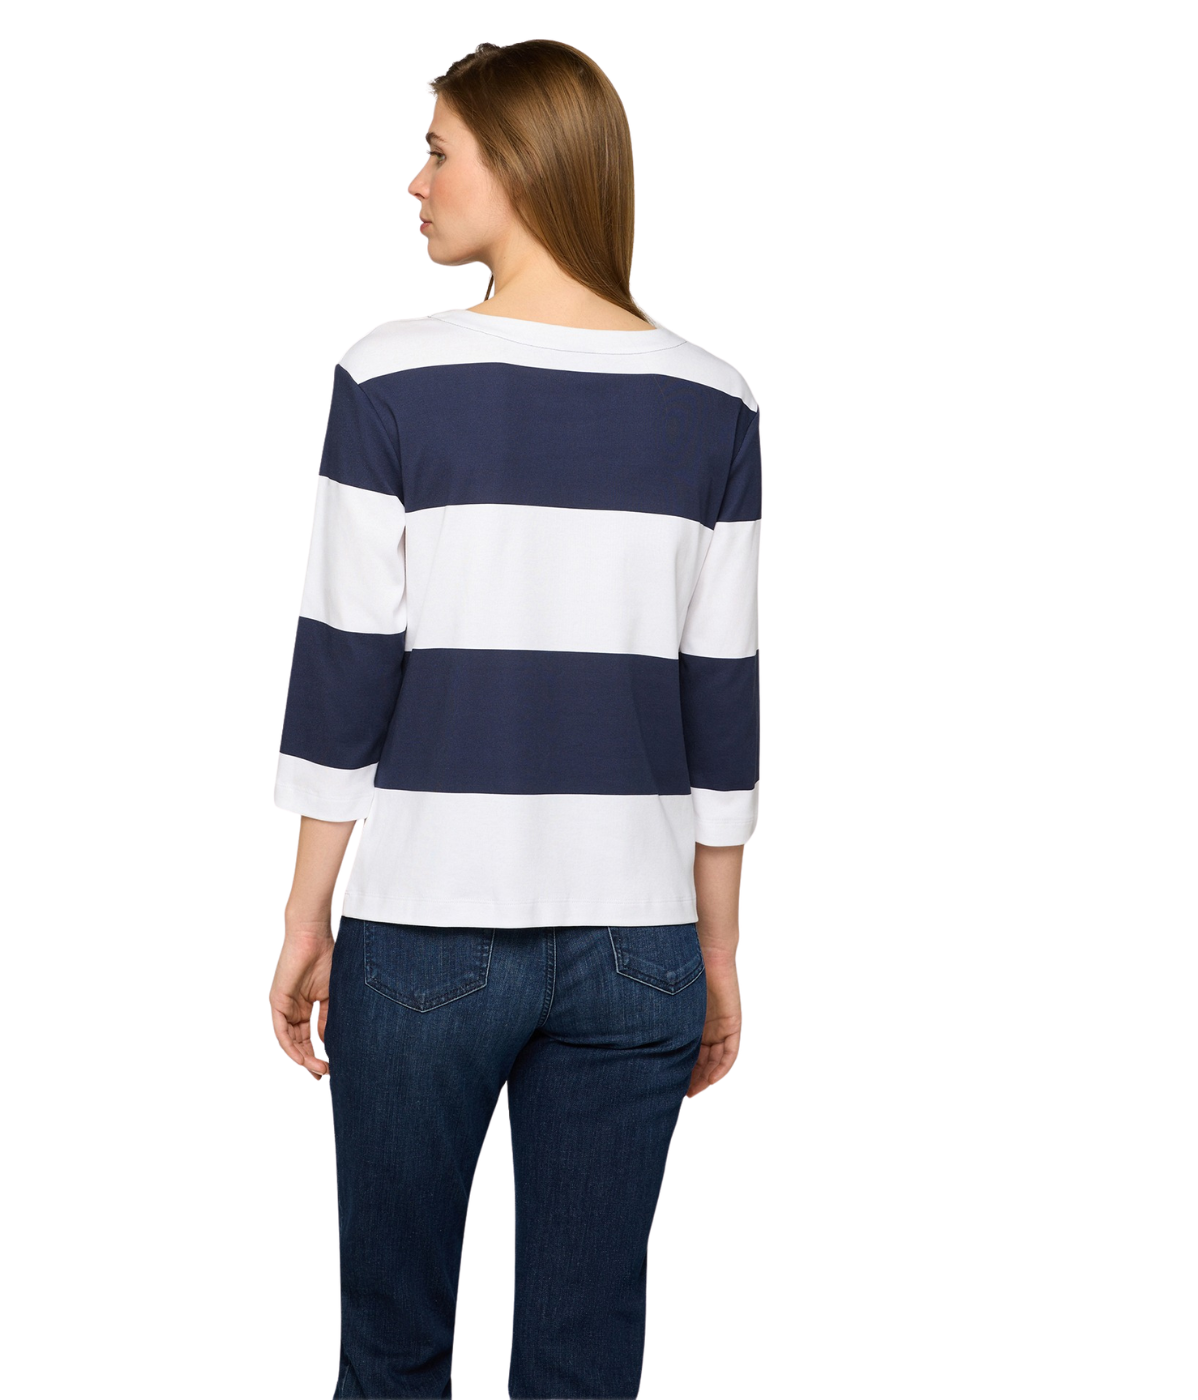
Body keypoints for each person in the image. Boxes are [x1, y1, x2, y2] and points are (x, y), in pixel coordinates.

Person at [268, 39, 761, 1400]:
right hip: (640, 946)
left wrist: (306, 916)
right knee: (584, 1365)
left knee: (390, 1357)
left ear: (525, 167)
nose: (414, 182)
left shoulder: (388, 380)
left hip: (424, 931)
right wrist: (718, 948)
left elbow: (343, 673)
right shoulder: (714, 401)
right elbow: (723, 702)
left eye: (439, 150)